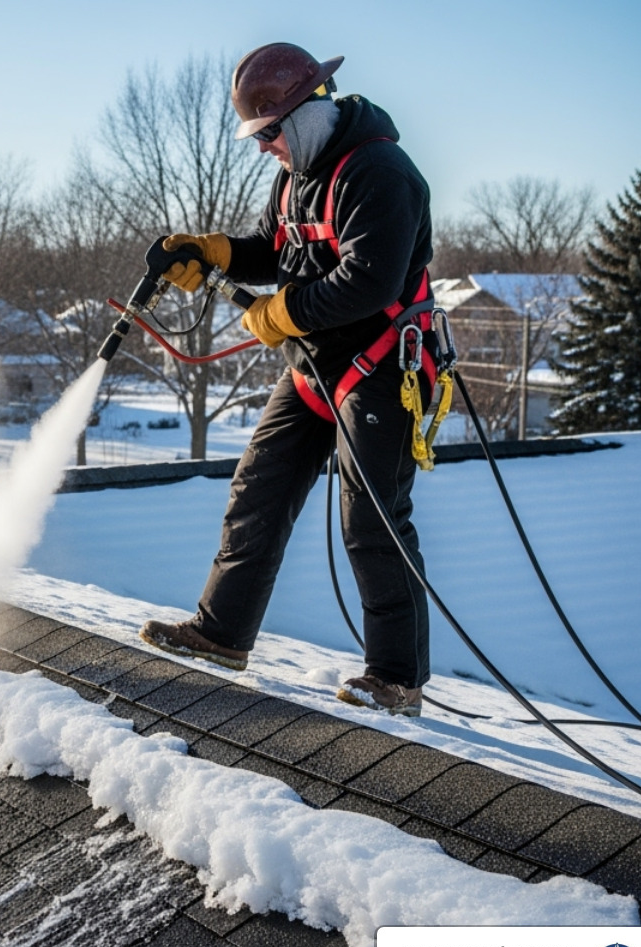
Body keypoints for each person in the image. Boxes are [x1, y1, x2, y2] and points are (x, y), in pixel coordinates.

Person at [138, 42, 436, 717]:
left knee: (373, 519)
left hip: (384, 367)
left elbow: (371, 278)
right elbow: (276, 251)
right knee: (259, 488)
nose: (264, 146)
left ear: (307, 109)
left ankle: (396, 679)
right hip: (316, 366)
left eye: (269, 132)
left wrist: (281, 313)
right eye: (258, 135)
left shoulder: (381, 172)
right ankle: (222, 634)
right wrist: (216, 252)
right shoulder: (297, 176)